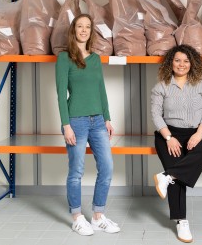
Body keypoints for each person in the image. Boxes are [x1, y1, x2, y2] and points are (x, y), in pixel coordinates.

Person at [55, 13, 120, 236]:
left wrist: (108, 117)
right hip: (76, 121)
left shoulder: (95, 59)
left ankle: (98, 216)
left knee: (107, 168)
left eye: (88, 27)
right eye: (80, 26)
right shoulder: (64, 58)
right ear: (73, 30)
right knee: (76, 171)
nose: (84, 30)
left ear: (91, 31)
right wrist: (66, 125)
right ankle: (77, 217)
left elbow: (101, 90)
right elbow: (60, 94)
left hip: (98, 121)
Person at [151, 44, 202, 243]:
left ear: (192, 63)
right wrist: (169, 137)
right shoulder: (161, 85)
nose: (181, 64)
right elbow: (156, 114)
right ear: (171, 62)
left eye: (186, 61)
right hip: (170, 133)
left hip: (197, 131)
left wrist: (198, 134)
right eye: (177, 60)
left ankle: (166, 176)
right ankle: (181, 221)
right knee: (177, 175)